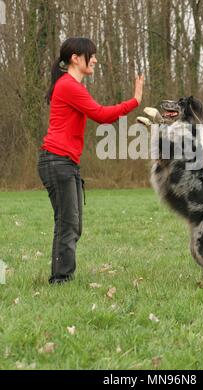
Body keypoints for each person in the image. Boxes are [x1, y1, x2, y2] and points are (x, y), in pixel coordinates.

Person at [38, 37, 144, 284]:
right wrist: (135, 101)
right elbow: (102, 115)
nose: (95, 59)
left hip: (64, 162)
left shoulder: (71, 86)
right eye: (91, 55)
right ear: (76, 58)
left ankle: (62, 276)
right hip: (57, 161)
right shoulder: (68, 86)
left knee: (73, 225)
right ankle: (61, 280)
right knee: (68, 224)